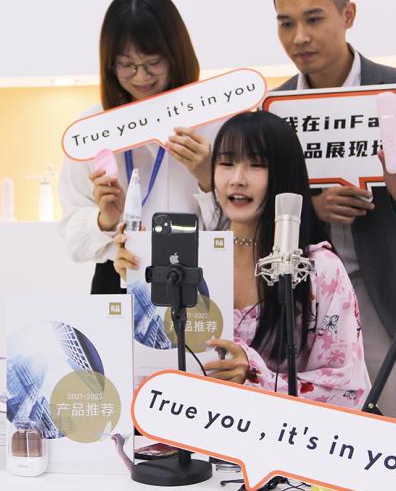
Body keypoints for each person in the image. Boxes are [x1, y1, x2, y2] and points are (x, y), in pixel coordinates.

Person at [270, 0, 396, 425]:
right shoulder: (276, 109)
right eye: (286, 23)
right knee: (317, 446)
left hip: (393, 302)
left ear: (348, 14)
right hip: (305, 307)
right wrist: (312, 208)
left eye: (314, 19)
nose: (299, 37)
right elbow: (261, 209)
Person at [114, 111, 369, 407]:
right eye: (226, 163)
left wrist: (255, 377)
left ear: (284, 173)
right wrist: (137, 283)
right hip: (193, 428)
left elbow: (346, 391)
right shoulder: (188, 259)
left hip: (280, 434)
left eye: (257, 165)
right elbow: (150, 364)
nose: (237, 179)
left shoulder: (318, 269)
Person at [58, 0, 219, 294]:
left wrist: (207, 179)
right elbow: (73, 239)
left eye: (153, 62)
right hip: (118, 279)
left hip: (198, 279)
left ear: (176, 55)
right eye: (127, 65)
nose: (141, 76)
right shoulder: (92, 129)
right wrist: (104, 219)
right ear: (109, 64)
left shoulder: (213, 120)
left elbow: (240, 227)